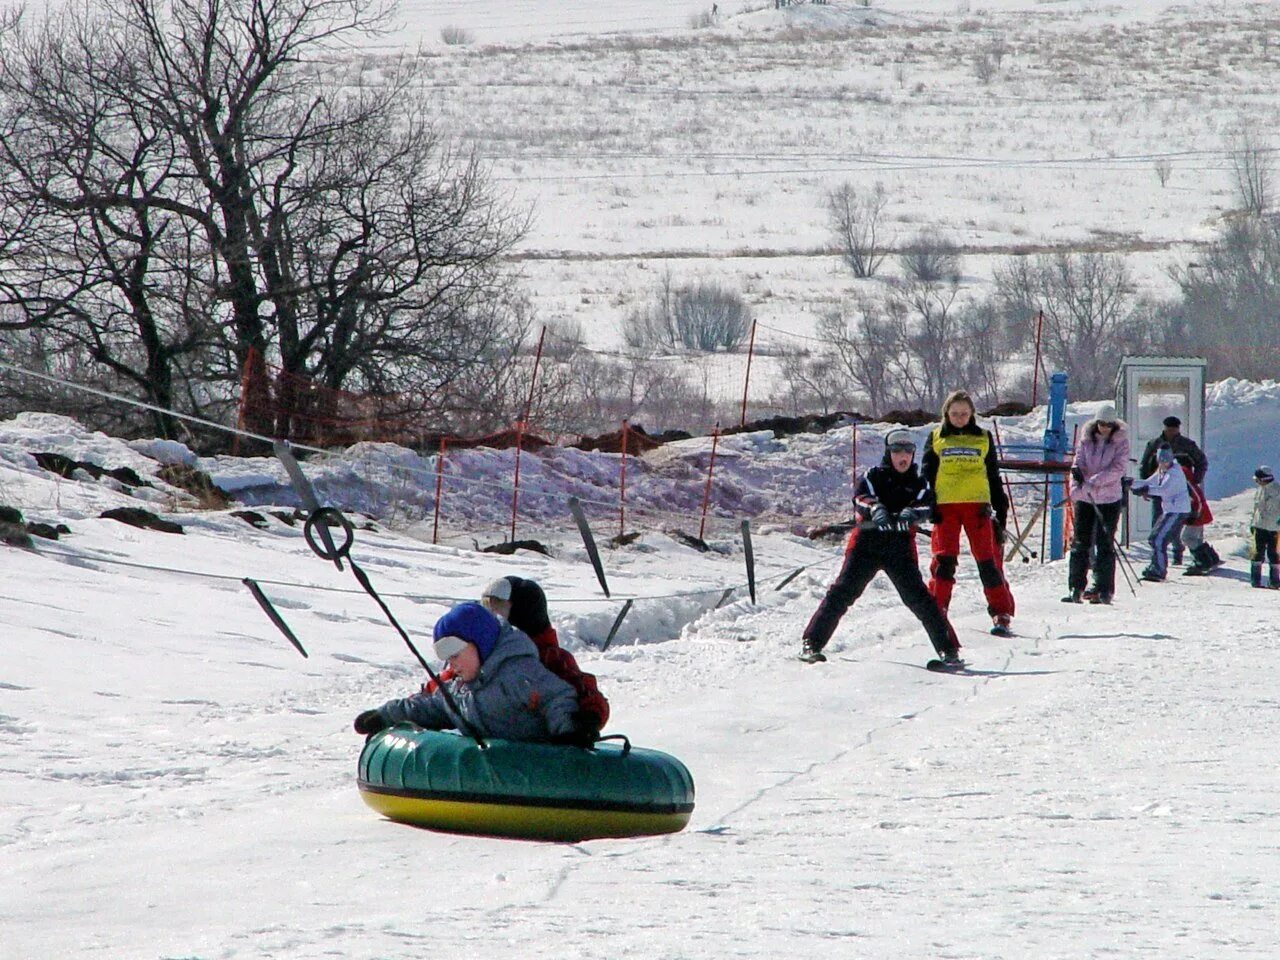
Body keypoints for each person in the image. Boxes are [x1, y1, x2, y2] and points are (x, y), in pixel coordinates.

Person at [800, 429, 961, 665]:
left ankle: (948, 651)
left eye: (907, 450)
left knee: (919, 599)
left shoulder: (919, 481)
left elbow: (927, 504)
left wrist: (912, 512)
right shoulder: (873, 475)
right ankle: (811, 643)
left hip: (900, 549)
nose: (902, 456)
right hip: (866, 546)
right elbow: (860, 497)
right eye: (897, 450)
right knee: (842, 593)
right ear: (888, 452)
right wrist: (876, 509)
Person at [352, 601, 593, 745]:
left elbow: (555, 698)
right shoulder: (460, 689)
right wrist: (385, 715)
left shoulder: (517, 672)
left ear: (481, 643)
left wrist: (569, 730)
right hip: (495, 770)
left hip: (539, 763)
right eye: (446, 656)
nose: (451, 664)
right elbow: (428, 707)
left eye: (455, 653)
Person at [921, 389, 1016, 634]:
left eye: (964, 413)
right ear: (946, 414)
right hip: (946, 508)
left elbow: (993, 475)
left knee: (987, 561)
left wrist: (1000, 506)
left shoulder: (983, 437)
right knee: (944, 561)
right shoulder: (935, 437)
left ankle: (1001, 612)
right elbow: (927, 475)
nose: (959, 418)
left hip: (976, 508)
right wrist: (929, 504)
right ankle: (938, 611)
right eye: (954, 414)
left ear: (972, 413)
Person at [480, 576, 610, 735]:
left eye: (498, 609)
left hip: (540, 744)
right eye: (486, 607)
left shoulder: (550, 658)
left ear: (522, 613)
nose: (491, 617)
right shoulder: (482, 652)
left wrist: (589, 718)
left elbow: (587, 692)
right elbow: (453, 683)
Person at [1063, 404, 1129, 604]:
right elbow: (1079, 462)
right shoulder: (1086, 439)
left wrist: (1094, 481)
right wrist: (1077, 484)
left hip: (1108, 498)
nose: (1105, 428)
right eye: (1101, 424)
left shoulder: (1120, 442)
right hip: (1086, 498)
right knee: (1080, 542)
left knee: (1105, 543)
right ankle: (1076, 586)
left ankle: (1104, 588)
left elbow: (1118, 468)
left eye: (1109, 425)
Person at [1139, 415, 1207, 564]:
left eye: (1174, 429)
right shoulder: (1154, 444)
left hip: (1180, 491)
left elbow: (1201, 462)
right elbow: (1144, 466)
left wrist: (1194, 481)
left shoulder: (1187, 445)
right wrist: (1145, 488)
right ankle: (1157, 556)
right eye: (1168, 429)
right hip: (1160, 489)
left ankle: (1177, 552)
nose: (1171, 432)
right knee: (1157, 523)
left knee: (1175, 523)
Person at [1128, 444, 1190, 582]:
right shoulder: (1162, 471)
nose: (1163, 463)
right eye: (1161, 460)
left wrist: (1145, 490)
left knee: (1159, 539)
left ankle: (1159, 569)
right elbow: (1148, 482)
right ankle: (1155, 565)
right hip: (1169, 510)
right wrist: (1131, 483)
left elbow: (1163, 490)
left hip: (1177, 510)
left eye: (1166, 459)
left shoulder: (1175, 472)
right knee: (1154, 538)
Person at [1179, 454, 1222, 576]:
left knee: (1187, 538)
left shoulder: (1186, 482)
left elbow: (1196, 499)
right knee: (1195, 538)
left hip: (1197, 515)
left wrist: (1195, 515)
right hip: (1198, 514)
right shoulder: (1188, 481)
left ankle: (1202, 562)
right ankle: (1211, 558)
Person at [1248, 465, 1280, 589]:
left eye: (1258, 479)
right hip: (1259, 526)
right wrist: (1253, 523)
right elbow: (1256, 508)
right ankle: (1255, 580)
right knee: (1257, 552)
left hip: (1274, 528)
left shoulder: (1277, 490)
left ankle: (1275, 581)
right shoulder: (1260, 490)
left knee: (1274, 554)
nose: (1256, 481)